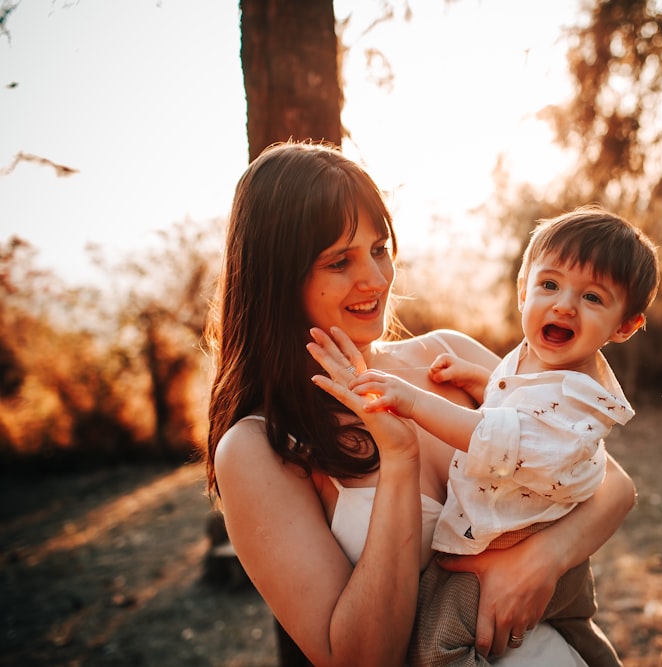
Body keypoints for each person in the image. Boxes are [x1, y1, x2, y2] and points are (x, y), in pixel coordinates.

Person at [204, 141, 638, 666]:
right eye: (340, 261)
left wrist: (536, 563)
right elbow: (360, 660)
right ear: (277, 276)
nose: (377, 279)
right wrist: (400, 459)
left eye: (380, 248)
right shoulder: (257, 448)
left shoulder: (446, 356)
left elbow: (611, 483)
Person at [331, 207, 659, 666]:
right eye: (550, 285)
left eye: (592, 298)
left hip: (511, 543)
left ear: (624, 326)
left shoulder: (580, 394)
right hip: (543, 552)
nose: (564, 304)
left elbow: (499, 437)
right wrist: (479, 378)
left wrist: (412, 401)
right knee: (579, 630)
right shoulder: (536, 364)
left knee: (434, 645)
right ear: (523, 289)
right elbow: (520, 407)